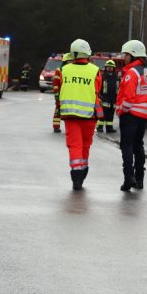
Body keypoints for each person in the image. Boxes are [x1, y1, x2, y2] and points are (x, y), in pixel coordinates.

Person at [58, 39, 103, 190]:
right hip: (90, 115)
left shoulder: (64, 70)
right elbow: (98, 90)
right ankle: (83, 169)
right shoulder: (95, 70)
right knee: (85, 144)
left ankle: (76, 176)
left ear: (73, 53)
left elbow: (59, 89)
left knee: (74, 145)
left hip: (70, 115)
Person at [116, 39, 147, 191]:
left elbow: (129, 97)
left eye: (126, 55)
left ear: (133, 55)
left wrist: (121, 111)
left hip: (130, 114)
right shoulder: (146, 72)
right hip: (143, 116)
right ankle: (139, 179)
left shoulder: (131, 73)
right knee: (139, 146)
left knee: (127, 146)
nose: (124, 58)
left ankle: (128, 178)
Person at [50, 52, 72, 133]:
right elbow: (55, 83)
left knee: (70, 111)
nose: (71, 63)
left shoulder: (73, 71)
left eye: (72, 61)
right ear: (65, 62)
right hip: (61, 94)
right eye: (69, 61)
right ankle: (56, 126)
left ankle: (69, 128)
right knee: (58, 111)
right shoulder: (60, 70)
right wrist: (56, 94)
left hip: (70, 94)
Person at [98, 60, 119, 133]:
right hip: (104, 98)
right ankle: (99, 127)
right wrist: (99, 96)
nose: (110, 68)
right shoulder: (102, 76)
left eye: (111, 67)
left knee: (110, 115)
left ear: (114, 68)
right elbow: (99, 86)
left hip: (113, 99)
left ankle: (109, 128)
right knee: (102, 114)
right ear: (106, 67)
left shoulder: (116, 77)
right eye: (108, 67)